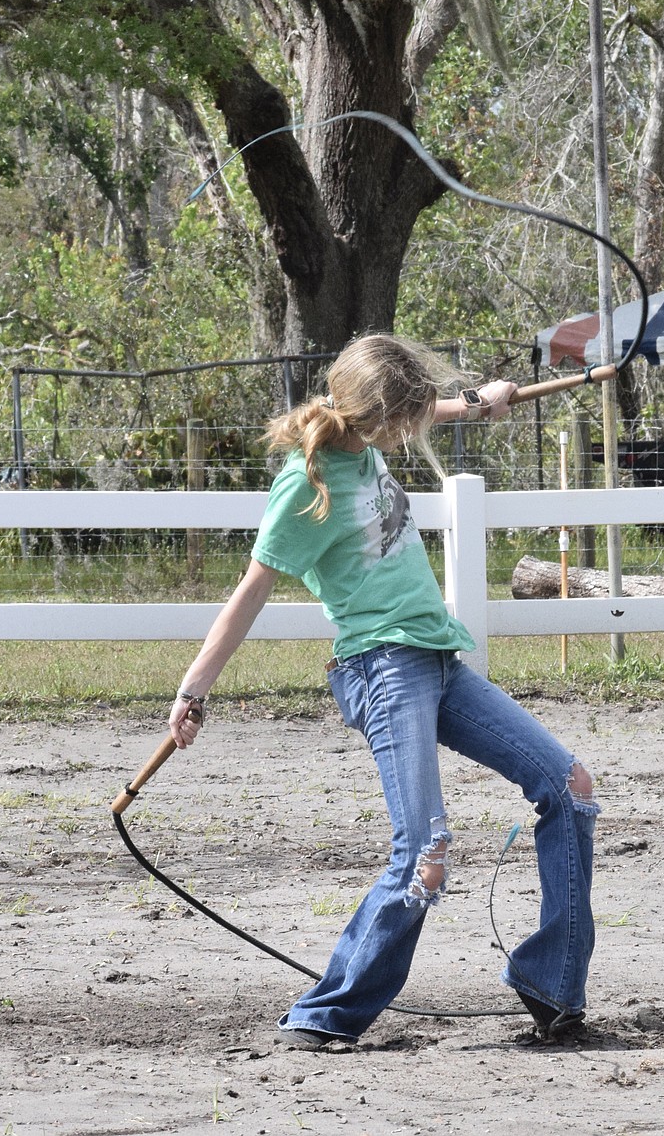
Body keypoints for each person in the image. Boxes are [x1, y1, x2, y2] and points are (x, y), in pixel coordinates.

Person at [168, 333, 599, 1048]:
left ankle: (552, 983)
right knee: (425, 853)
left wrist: (481, 402)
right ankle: (326, 1013)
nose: (411, 430)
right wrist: (194, 689)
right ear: (373, 415)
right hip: (380, 667)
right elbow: (252, 590)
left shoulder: (365, 440)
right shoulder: (306, 484)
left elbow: (432, 408)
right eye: (403, 417)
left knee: (572, 785)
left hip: (436, 658)